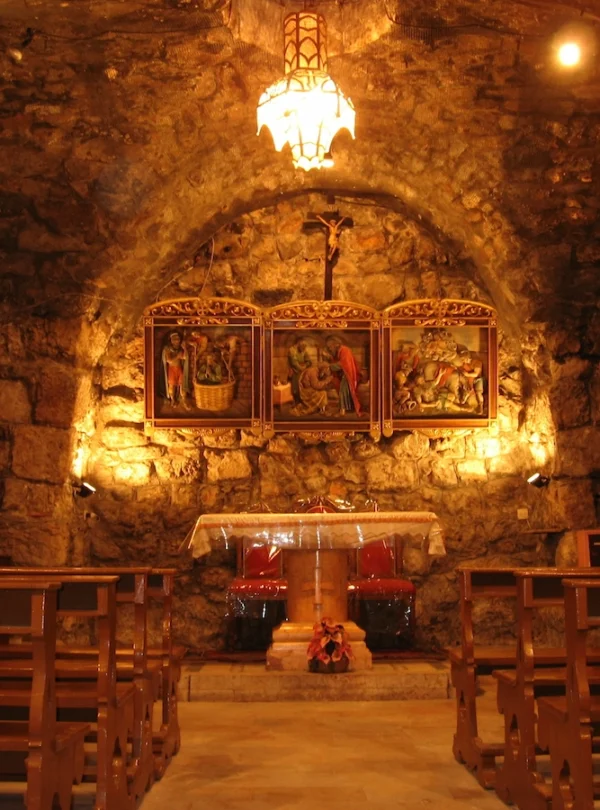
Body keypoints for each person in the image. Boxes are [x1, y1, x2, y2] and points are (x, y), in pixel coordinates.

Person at [324, 335, 362, 417]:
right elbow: (336, 361)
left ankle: (342, 411)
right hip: (344, 374)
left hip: (349, 374)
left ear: (336, 345)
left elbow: (343, 364)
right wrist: (329, 359)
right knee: (342, 390)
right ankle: (346, 408)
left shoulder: (345, 350)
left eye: (330, 347)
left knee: (342, 391)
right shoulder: (338, 351)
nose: (329, 349)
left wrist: (329, 366)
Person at [161, 330, 190, 406]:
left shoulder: (180, 348)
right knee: (172, 385)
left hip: (179, 368)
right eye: (175, 339)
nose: (177, 341)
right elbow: (169, 360)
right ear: (171, 340)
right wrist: (177, 356)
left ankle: (184, 400)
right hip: (172, 369)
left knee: (182, 384)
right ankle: (173, 399)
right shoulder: (167, 349)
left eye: (178, 339)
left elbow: (185, 357)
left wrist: (185, 348)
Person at [287, 338, 312, 404]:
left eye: (304, 347)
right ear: (299, 344)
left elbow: (309, 361)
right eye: (302, 347)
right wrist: (301, 368)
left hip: (303, 371)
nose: (303, 349)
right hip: (295, 371)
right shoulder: (292, 350)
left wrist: (305, 366)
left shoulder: (303, 350)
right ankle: (296, 401)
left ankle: (303, 400)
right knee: (295, 387)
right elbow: (294, 363)